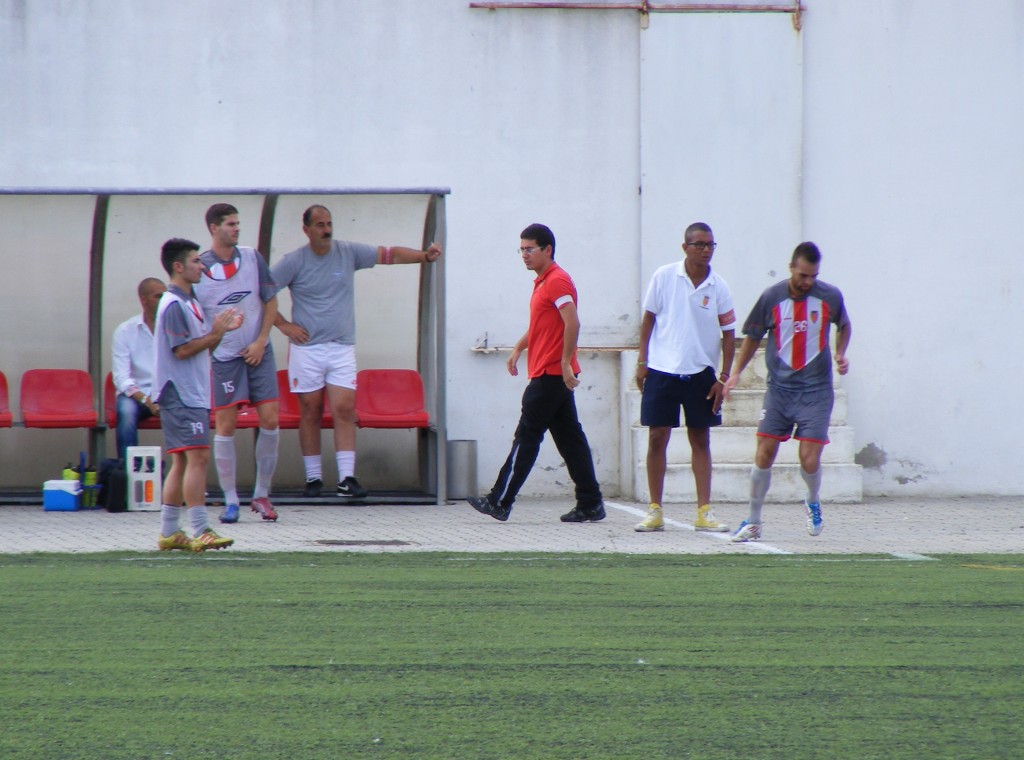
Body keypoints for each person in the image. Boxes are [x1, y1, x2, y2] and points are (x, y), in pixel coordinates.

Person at [271, 204, 442, 498]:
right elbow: (262, 291)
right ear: (306, 229)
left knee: (344, 409)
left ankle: (346, 478)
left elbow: (389, 255)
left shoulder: (348, 251)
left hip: (341, 347)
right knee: (310, 411)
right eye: (320, 225)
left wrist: (424, 256)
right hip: (307, 350)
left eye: (329, 223)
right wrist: (284, 325)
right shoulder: (294, 261)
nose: (327, 230)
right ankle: (313, 479)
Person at [468, 223, 605, 523]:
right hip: (550, 374)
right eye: (521, 249)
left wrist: (565, 362)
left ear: (548, 249)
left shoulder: (557, 281)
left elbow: (572, 323)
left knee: (526, 437)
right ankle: (591, 502)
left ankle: (499, 501)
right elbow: (542, 326)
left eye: (530, 249)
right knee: (571, 440)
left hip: (550, 376)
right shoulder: (543, 282)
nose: (524, 255)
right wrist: (518, 348)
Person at [723, 241, 851, 542]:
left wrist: (840, 353)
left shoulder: (830, 296)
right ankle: (753, 521)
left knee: (809, 458)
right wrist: (736, 372)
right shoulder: (772, 297)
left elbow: (844, 325)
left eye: (813, 276)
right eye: (803, 275)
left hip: (816, 391)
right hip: (779, 390)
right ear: (791, 267)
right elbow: (752, 336)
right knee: (764, 453)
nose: (808, 282)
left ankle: (813, 501)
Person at [634, 222, 736, 533]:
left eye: (710, 245)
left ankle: (704, 511)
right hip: (662, 369)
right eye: (699, 244)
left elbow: (729, 333)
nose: (706, 250)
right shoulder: (665, 276)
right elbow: (648, 319)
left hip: (701, 373)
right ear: (685, 247)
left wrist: (723, 377)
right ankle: (655, 510)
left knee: (701, 439)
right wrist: (642, 361)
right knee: (657, 437)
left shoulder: (719, 286)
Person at [153, 238, 243, 553]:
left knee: (181, 460)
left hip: (190, 391)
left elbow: (202, 349)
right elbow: (181, 351)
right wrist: (215, 333)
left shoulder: (189, 302)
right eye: (195, 261)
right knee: (198, 457)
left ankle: (169, 531)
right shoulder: (174, 304)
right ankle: (201, 529)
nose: (202, 266)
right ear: (178, 266)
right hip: (181, 392)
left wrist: (219, 333)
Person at [195, 203, 281, 524]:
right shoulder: (199, 268)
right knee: (226, 425)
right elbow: (195, 318)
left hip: (259, 351)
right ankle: (230, 500)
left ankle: (262, 494)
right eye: (230, 224)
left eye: (237, 223)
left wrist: (261, 340)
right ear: (214, 228)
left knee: (270, 419)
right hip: (225, 356)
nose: (236, 228)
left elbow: (270, 301)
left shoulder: (252, 258)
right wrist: (211, 343)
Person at [111, 277, 166, 461]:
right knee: (126, 412)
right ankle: (129, 470)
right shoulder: (125, 331)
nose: (164, 300)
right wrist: (146, 400)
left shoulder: (173, 329)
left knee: (189, 414)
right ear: (143, 299)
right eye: (158, 296)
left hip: (166, 394)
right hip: (137, 397)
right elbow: (121, 378)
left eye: (165, 296)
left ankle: (187, 473)